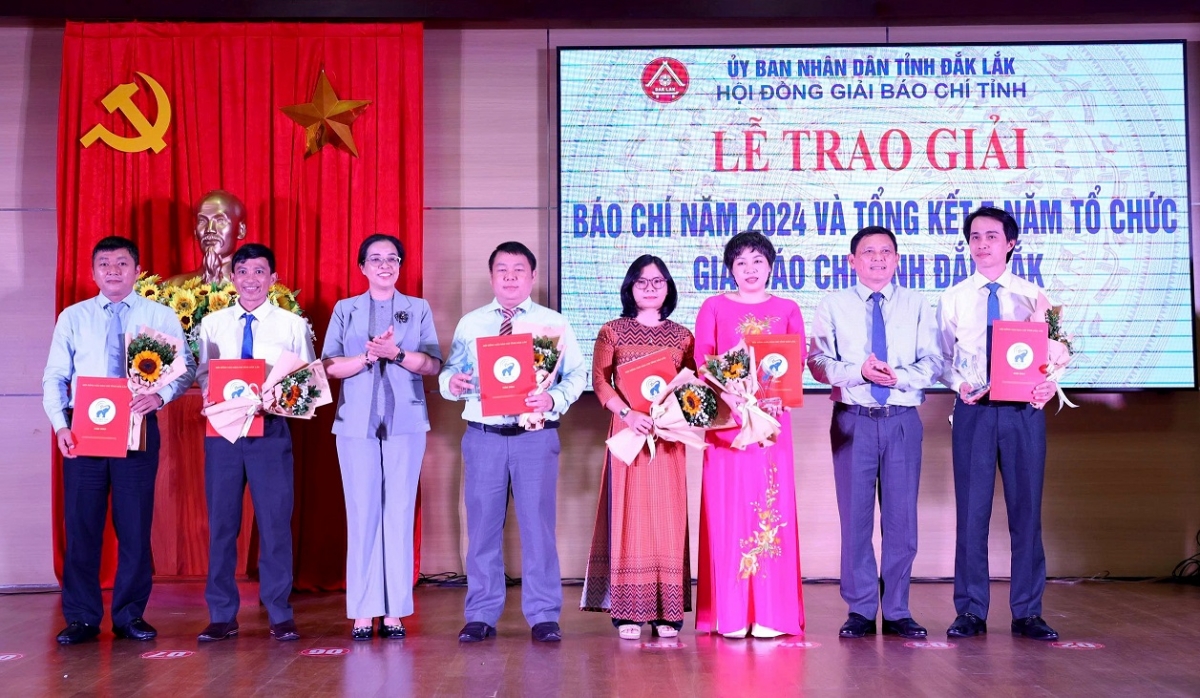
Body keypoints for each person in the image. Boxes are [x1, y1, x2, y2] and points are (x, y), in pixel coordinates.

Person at [43, 236, 196, 645]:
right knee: (82, 527)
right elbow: (55, 376)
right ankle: (81, 618)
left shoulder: (159, 315)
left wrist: (160, 396)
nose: (113, 270)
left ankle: (130, 616)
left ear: (137, 270)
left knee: (135, 526)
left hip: (137, 430)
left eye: (122, 263)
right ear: (93, 272)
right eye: (105, 264)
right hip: (83, 432)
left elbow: (184, 367)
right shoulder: (73, 317)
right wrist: (60, 426)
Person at [438, 241, 586, 643]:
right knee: (482, 528)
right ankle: (481, 614)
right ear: (491, 277)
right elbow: (450, 371)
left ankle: (543, 615)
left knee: (538, 528)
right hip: (483, 436)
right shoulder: (471, 323)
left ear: (533, 276)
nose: (510, 277)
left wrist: (553, 399)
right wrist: (451, 383)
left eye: (518, 269)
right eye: (501, 269)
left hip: (535, 437)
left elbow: (577, 374)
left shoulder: (553, 323)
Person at [807, 226, 943, 640]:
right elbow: (817, 363)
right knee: (855, 519)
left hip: (901, 419)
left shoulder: (918, 304)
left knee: (902, 521)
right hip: (853, 419)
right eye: (868, 252)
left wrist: (898, 377)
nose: (878, 258)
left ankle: (898, 609)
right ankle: (861, 609)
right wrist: (859, 372)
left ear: (897, 259)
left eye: (886, 251)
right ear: (853, 261)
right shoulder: (833, 304)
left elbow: (934, 361)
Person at [937, 206, 1060, 641]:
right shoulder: (953, 298)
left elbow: (1054, 352)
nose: (982, 244)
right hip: (974, 411)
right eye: (975, 237)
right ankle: (971, 610)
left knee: (1027, 512)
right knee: (972, 513)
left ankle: (1027, 612)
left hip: (1023, 413)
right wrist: (958, 383)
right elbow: (941, 358)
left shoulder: (1033, 296)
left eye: (991, 236)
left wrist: (1049, 382)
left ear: (1010, 243)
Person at [323, 234, 442, 640]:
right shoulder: (345, 309)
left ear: (400, 265)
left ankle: (394, 611)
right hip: (354, 423)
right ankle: (363, 610)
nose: (385, 265)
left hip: (406, 422)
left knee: (399, 512)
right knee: (362, 513)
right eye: (375, 259)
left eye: (392, 258)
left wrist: (397, 354)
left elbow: (432, 365)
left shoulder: (418, 308)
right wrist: (366, 357)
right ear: (362, 267)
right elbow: (329, 366)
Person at [195, 243, 315, 642]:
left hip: (271, 431)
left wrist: (278, 399)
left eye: (259, 271)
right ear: (232, 278)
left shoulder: (292, 325)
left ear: (273, 278)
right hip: (223, 433)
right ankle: (221, 614)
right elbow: (203, 373)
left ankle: (279, 612)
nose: (251, 279)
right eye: (243, 271)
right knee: (222, 524)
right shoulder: (212, 323)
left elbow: (306, 380)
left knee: (275, 524)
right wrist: (209, 389)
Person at [694, 231, 805, 638]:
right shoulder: (714, 306)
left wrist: (776, 398)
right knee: (730, 509)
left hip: (771, 424)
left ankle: (771, 614)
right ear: (730, 269)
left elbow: (795, 362)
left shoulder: (788, 308)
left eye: (758, 260)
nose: (750, 269)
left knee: (770, 506)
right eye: (741, 262)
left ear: (771, 266)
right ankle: (733, 615)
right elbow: (703, 360)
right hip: (729, 422)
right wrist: (731, 397)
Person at [581, 255, 695, 641]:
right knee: (628, 517)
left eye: (658, 281)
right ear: (629, 287)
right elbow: (600, 381)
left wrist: (672, 414)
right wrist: (628, 414)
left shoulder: (683, 337)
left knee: (668, 520)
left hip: (667, 438)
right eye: (641, 281)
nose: (650, 287)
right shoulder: (612, 331)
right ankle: (627, 610)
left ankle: (668, 614)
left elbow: (692, 387)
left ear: (669, 288)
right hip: (628, 433)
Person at [165, 190, 248, 286]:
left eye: (220, 221)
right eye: (202, 221)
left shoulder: (258, 287)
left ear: (241, 230)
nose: (210, 229)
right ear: (195, 231)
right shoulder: (171, 287)